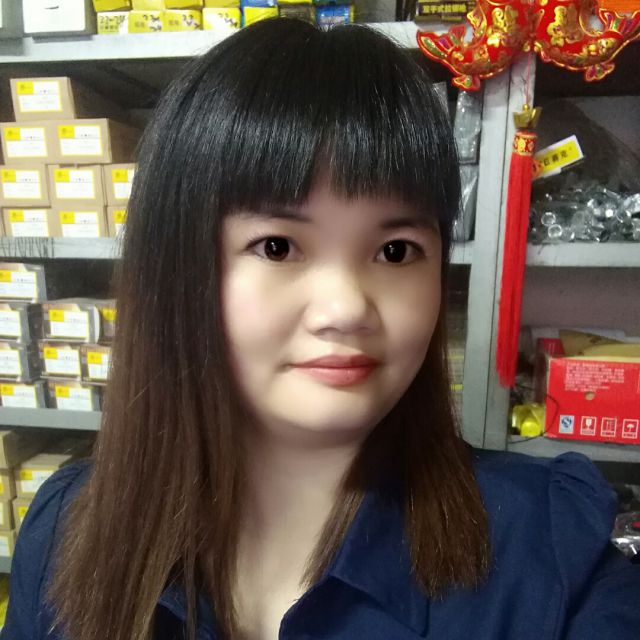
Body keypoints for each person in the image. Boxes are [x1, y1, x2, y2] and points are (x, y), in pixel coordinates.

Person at [2, 17, 639, 640]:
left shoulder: (550, 553)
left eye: (395, 251)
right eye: (277, 247)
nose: (345, 308)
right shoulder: (67, 533)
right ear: (176, 268)